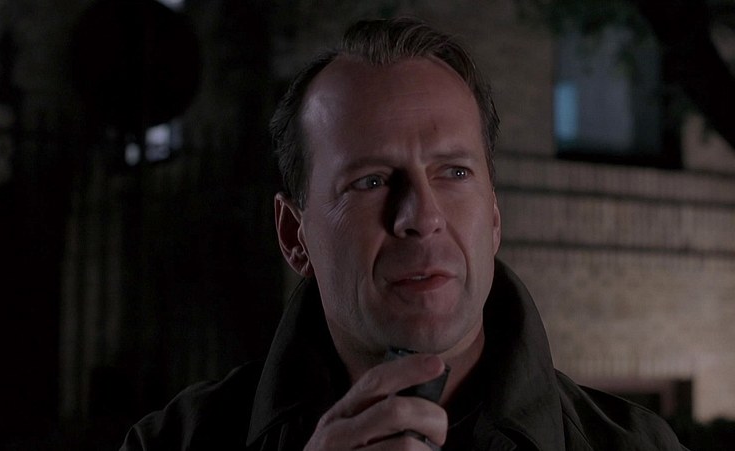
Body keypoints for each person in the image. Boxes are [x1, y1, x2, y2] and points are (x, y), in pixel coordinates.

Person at [121, 17, 688, 450]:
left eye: (454, 173)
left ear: (493, 216)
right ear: (295, 235)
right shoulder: (172, 442)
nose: (420, 215)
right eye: (370, 181)